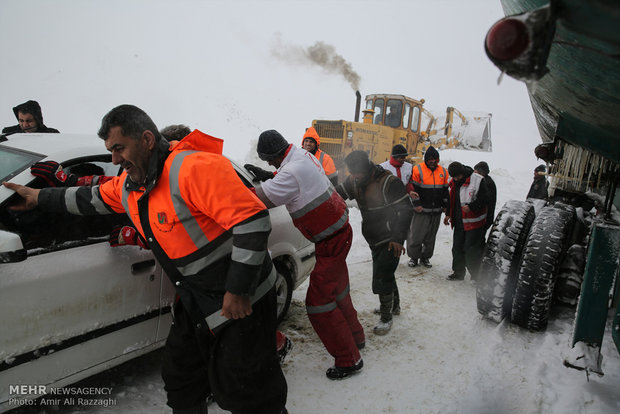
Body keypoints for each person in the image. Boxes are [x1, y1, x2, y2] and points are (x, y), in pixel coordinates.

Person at [4, 105, 287, 414]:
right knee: (181, 379)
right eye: (110, 151)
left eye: (119, 148)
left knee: (248, 391)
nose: (114, 159)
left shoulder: (193, 168)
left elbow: (252, 221)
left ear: (148, 139)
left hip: (242, 299)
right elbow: (90, 199)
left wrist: (238, 289)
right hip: (197, 299)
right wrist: (38, 197)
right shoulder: (131, 185)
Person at [244, 130, 365, 380]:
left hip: (331, 241)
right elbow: (289, 178)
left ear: (277, 154)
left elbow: (259, 200)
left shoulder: (290, 172)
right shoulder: (302, 156)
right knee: (339, 291)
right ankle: (356, 337)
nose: (268, 164)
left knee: (318, 304)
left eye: (269, 160)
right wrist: (269, 176)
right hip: (337, 233)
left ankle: (349, 359)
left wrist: (230, 191)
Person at [336, 150, 413, 336]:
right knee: (386, 272)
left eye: (357, 173)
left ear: (367, 168)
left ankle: (386, 317)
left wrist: (397, 238)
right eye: (352, 173)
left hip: (390, 237)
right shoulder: (355, 180)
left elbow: (406, 210)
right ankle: (394, 307)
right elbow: (339, 194)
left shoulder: (388, 182)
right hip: (374, 236)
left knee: (382, 275)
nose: (354, 177)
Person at [444, 161, 489, 281]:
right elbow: (451, 200)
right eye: (454, 177)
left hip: (473, 222)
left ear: (462, 172)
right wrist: (448, 214)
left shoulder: (478, 180)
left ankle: (476, 275)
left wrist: (471, 207)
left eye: (458, 176)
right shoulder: (453, 182)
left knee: (471, 250)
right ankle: (458, 273)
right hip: (459, 222)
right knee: (457, 248)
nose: (456, 179)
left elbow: (485, 199)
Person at [405, 146, 449, 268]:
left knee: (430, 237)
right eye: (429, 159)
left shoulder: (443, 172)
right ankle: (414, 257)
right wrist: (417, 205)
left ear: (438, 159)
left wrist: (445, 206)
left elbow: (445, 191)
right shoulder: (417, 170)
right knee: (416, 236)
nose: (432, 161)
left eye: (434, 159)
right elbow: (413, 190)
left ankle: (425, 258)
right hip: (421, 211)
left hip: (436, 211)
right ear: (426, 160)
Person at [474, 161, 497, 232]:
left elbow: (485, 201)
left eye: (476, 172)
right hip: (484, 217)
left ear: (481, 172)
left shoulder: (487, 183)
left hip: (485, 217)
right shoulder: (485, 180)